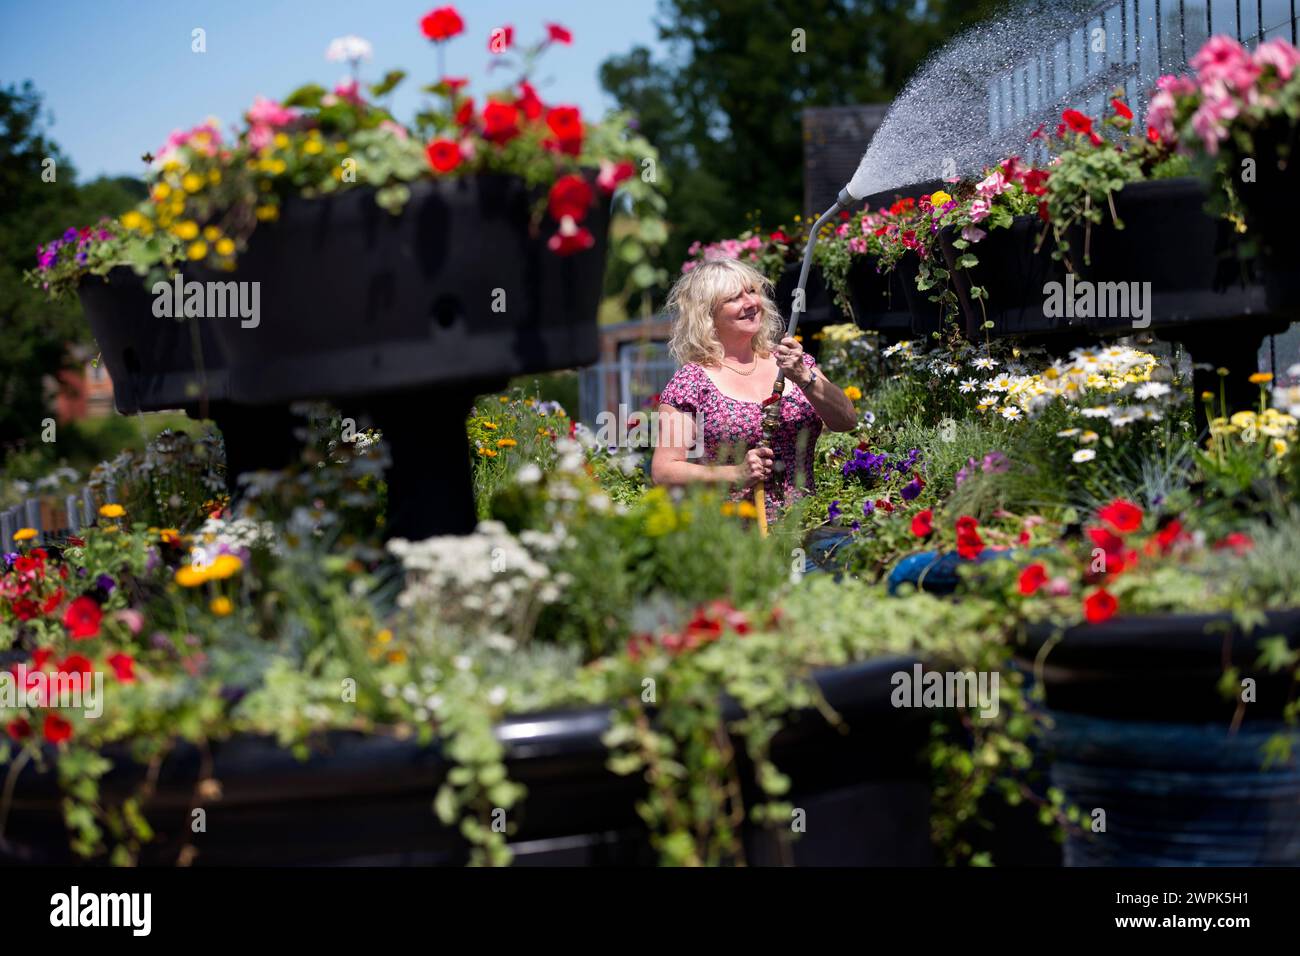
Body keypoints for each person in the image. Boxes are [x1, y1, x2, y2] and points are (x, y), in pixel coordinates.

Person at [650, 258, 857, 522]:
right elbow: (664, 471)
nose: (750, 303)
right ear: (708, 314)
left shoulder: (790, 362)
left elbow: (847, 420)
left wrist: (804, 377)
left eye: (751, 292)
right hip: (735, 538)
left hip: (805, 526)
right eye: (734, 298)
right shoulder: (692, 382)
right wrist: (736, 474)